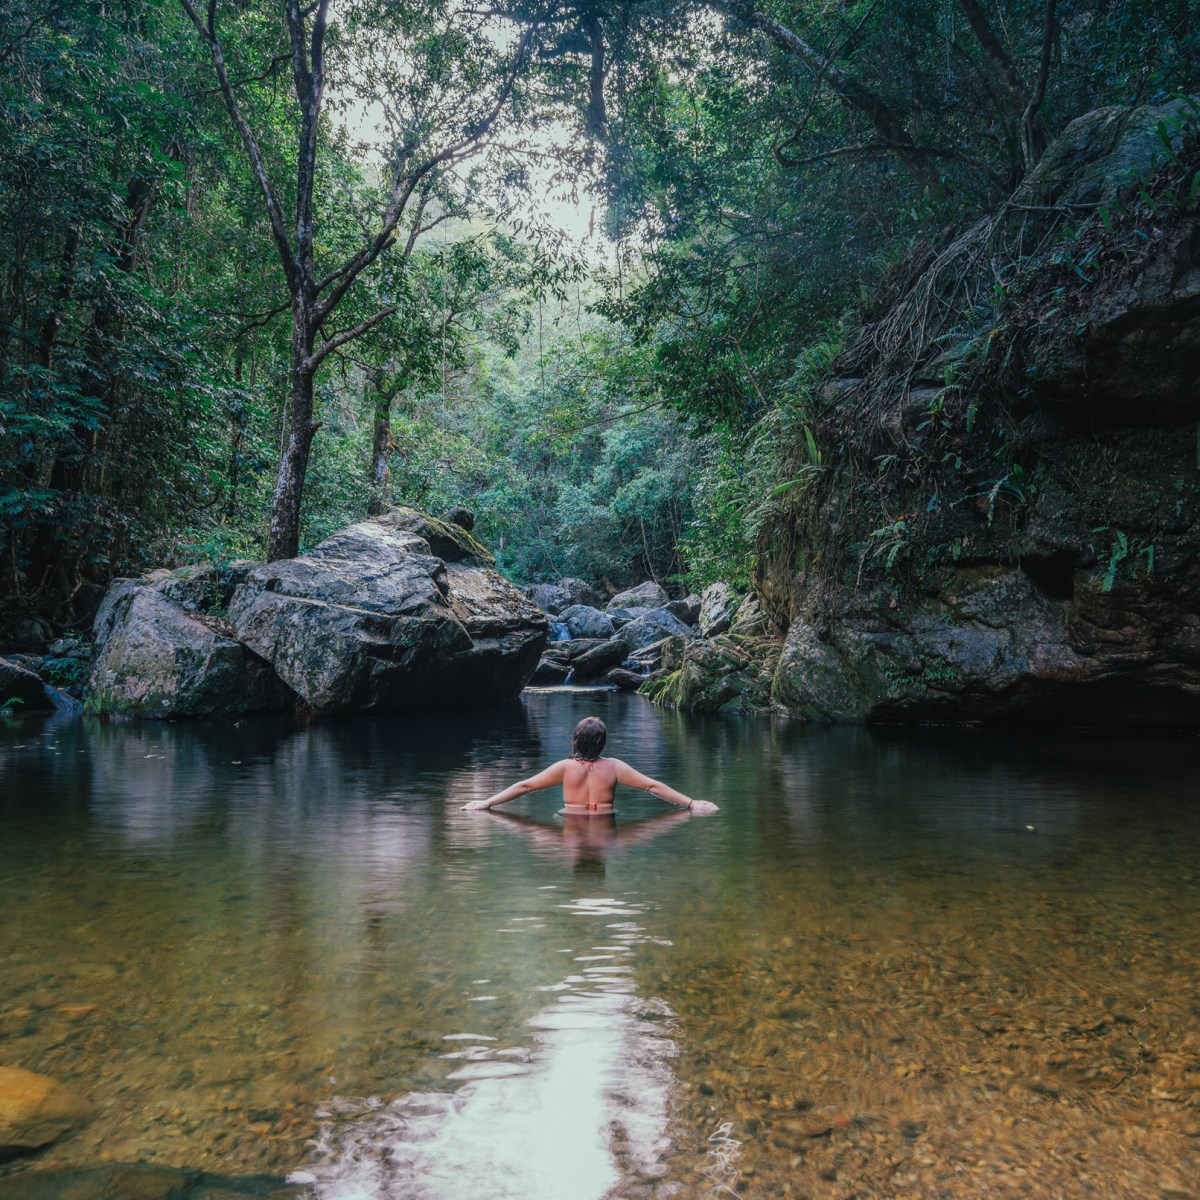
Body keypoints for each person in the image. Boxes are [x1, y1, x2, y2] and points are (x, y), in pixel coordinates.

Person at [462, 716, 719, 814]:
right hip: (607, 820)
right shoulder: (615, 767)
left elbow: (525, 785)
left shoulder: (565, 767)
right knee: (647, 829)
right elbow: (652, 786)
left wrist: (486, 802)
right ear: (603, 743)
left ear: (575, 740)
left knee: (533, 833)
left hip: (571, 820)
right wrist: (690, 803)